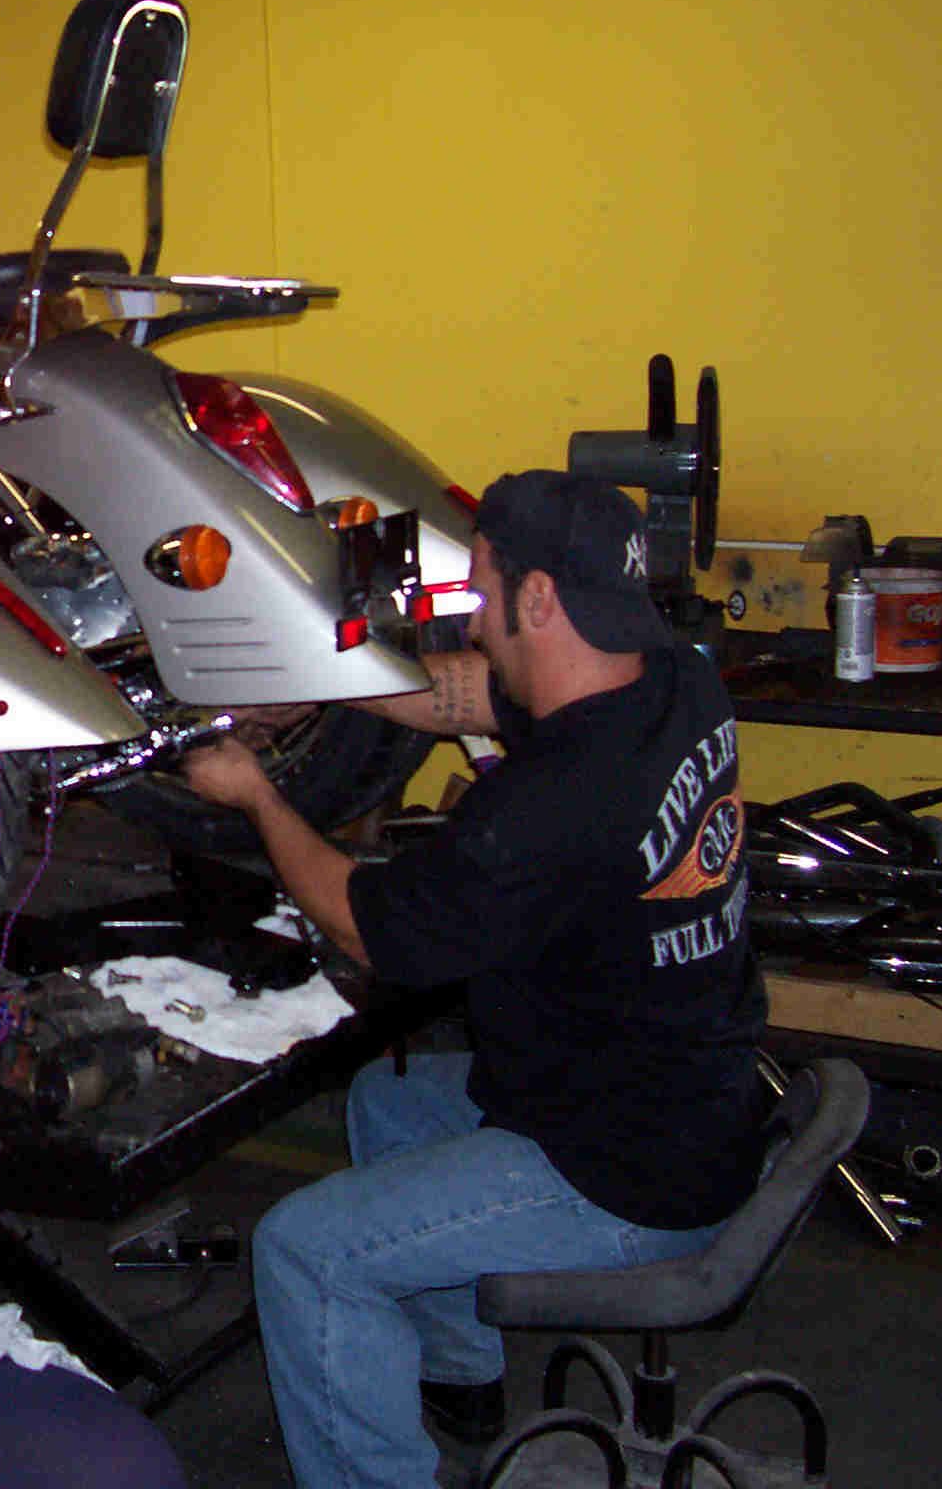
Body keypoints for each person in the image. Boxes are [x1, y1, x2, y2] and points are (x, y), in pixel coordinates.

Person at [182, 469, 769, 1488]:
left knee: (306, 1251)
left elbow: (366, 926)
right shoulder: (671, 679)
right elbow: (463, 691)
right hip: (690, 1098)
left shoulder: (547, 807)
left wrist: (257, 796)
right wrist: (322, 678)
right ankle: (462, 1372)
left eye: (484, 592)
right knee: (390, 1101)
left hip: (621, 1173)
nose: (474, 620)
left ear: (538, 599)